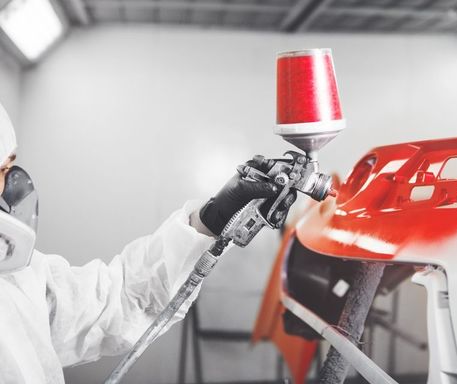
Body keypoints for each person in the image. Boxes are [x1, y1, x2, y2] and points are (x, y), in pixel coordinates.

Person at [0, 102, 295, 383]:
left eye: (7, 169)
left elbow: (118, 300)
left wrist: (210, 221)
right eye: (1, 171)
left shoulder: (16, 277)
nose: (6, 189)